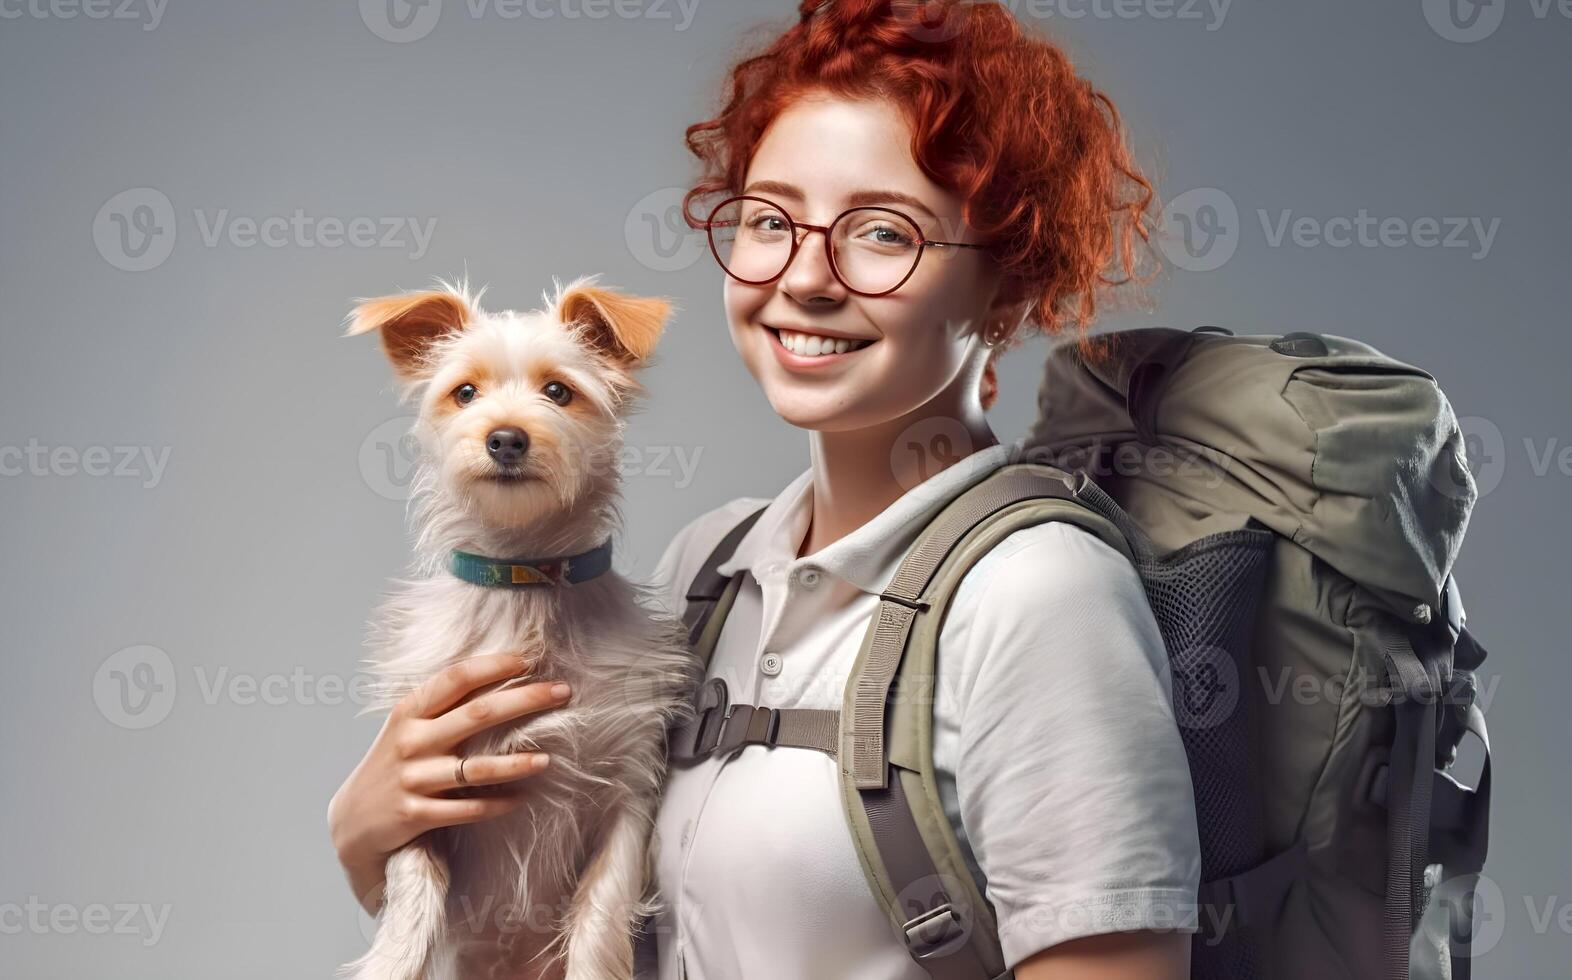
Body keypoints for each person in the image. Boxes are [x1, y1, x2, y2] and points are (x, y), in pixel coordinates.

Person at [329, 2, 1201, 977]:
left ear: (1005, 283)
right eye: (770, 219)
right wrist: (368, 832)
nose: (806, 278)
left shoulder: (1041, 594)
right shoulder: (711, 568)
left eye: (882, 231)